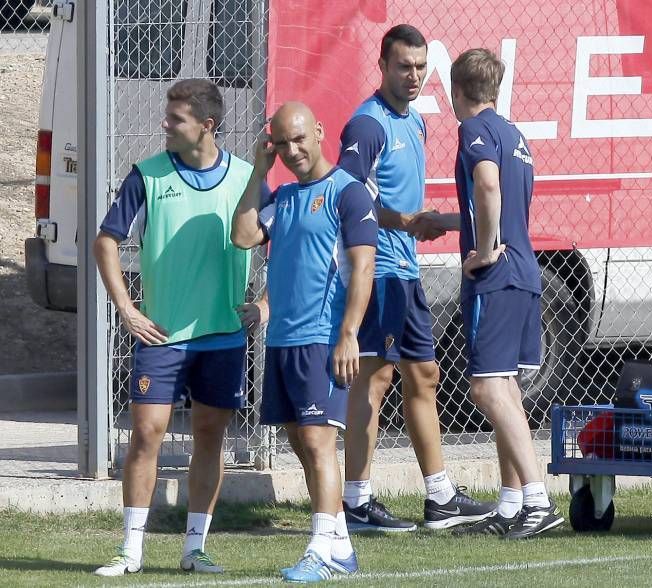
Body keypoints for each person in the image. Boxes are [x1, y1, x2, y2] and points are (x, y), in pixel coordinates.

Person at [93, 79, 269, 576]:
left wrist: (266, 303)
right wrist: (127, 309)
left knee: (210, 436)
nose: (164, 125)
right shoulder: (146, 175)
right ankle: (130, 549)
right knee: (146, 434)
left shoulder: (245, 176)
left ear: (207, 126)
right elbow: (106, 241)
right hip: (162, 334)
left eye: (176, 119)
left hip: (222, 334)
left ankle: (195, 548)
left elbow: (290, 238)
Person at [337, 23, 494, 532]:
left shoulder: (417, 123)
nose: (414, 76)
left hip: (406, 269)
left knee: (424, 375)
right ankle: (355, 502)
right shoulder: (367, 125)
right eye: (404, 66)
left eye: (421, 67)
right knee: (376, 378)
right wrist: (402, 222)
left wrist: (422, 222)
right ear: (382, 66)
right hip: (378, 271)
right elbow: (350, 198)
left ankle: (440, 496)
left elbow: (400, 203)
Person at [418, 48, 564, 538]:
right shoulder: (514, 134)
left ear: (456, 92)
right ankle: (511, 505)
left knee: (484, 387)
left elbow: (487, 186)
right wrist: (448, 221)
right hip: (525, 271)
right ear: (496, 91)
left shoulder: (472, 130)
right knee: (506, 387)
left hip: (496, 276)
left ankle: (539, 502)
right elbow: (501, 203)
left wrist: (481, 249)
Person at [231, 102, 377, 583]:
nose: (291, 150)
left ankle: (320, 549)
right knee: (299, 441)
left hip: (323, 340)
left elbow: (362, 269)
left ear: (319, 132)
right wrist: (259, 168)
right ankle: (341, 546)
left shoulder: (348, 194)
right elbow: (244, 233)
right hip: (284, 341)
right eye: (280, 143)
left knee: (318, 444)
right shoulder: (286, 196)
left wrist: (349, 334)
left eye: (299, 139)